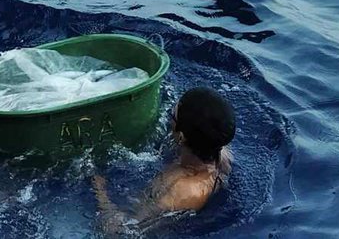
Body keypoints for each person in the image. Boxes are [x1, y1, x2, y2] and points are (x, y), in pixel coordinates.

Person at [93, 88, 236, 232]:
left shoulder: (180, 190)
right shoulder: (219, 150)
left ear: (181, 137)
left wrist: (100, 190)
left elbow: (121, 231)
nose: (170, 115)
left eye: (173, 114)